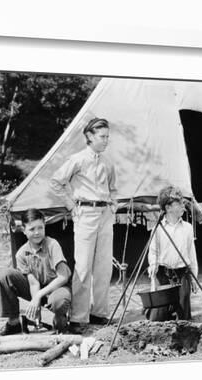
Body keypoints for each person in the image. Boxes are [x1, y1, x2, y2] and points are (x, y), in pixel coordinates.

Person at [50, 117, 117, 332]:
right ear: (89, 137)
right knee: (83, 267)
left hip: (105, 214)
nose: (106, 140)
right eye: (102, 136)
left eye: (107, 136)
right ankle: (79, 317)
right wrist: (71, 205)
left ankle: (100, 313)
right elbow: (56, 181)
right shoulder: (77, 159)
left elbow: (113, 188)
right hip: (85, 214)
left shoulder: (108, 162)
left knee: (104, 267)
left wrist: (113, 207)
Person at [0, 208, 72, 335]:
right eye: (32, 229)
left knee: (58, 303)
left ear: (44, 227)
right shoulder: (21, 253)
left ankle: (60, 318)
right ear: (24, 230)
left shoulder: (52, 245)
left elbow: (63, 277)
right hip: (40, 291)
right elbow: (33, 283)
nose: (37, 232)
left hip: (57, 289)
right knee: (6, 276)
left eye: (40, 228)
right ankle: (13, 323)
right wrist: (36, 306)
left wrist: (38, 295)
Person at [147, 186, 198, 321]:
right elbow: (153, 252)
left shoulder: (187, 228)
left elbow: (192, 254)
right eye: (179, 203)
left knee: (183, 317)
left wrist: (194, 277)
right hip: (163, 273)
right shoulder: (157, 229)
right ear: (168, 208)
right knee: (158, 317)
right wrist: (153, 266)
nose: (183, 206)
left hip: (183, 273)